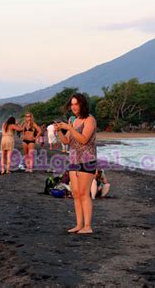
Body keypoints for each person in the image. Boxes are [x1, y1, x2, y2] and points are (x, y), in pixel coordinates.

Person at [55, 93, 97, 234]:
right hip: (73, 160)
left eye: (76, 104)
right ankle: (79, 225)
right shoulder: (72, 120)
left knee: (85, 194)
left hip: (87, 160)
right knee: (76, 194)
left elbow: (84, 139)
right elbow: (66, 141)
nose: (73, 107)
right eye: (72, 104)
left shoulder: (89, 120)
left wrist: (70, 128)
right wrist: (59, 131)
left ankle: (88, 226)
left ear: (82, 104)